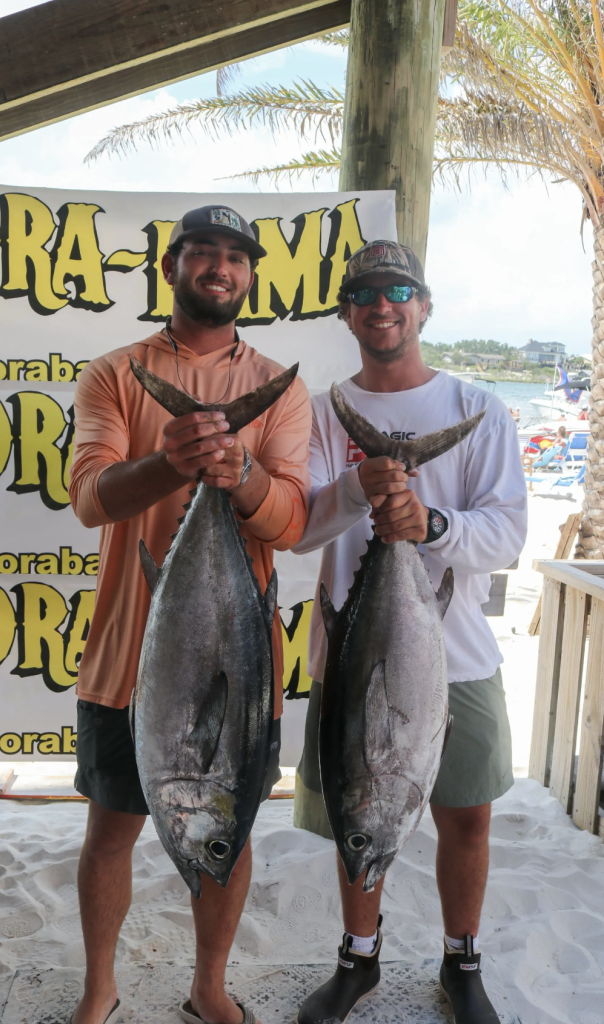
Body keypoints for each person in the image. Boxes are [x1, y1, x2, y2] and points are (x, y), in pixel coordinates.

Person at [68, 205, 311, 1024]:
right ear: (171, 267)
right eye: (203, 252)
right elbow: (90, 498)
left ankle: (208, 985)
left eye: (236, 257)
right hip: (124, 656)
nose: (220, 267)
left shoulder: (282, 387)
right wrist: (168, 461)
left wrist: (236, 474)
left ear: (250, 276)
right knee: (110, 832)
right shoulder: (115, 372)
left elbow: (289, 520)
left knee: (228, 834)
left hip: (238, 668)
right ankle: (101, 987)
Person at [292, 240, 527, 1024]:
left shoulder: (479, 410)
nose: (381, 304)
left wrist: (428, 523)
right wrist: (359, 490)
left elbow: (506, 536)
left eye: (398, 290)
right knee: (359, 812)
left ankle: (462, 960)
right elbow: (297, 528)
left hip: (457, 659)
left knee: (468, 817)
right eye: (363, 293)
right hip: (352, 659)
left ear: (424, 306)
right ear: (345, 313)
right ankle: (359, 960)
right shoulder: (322, 412)